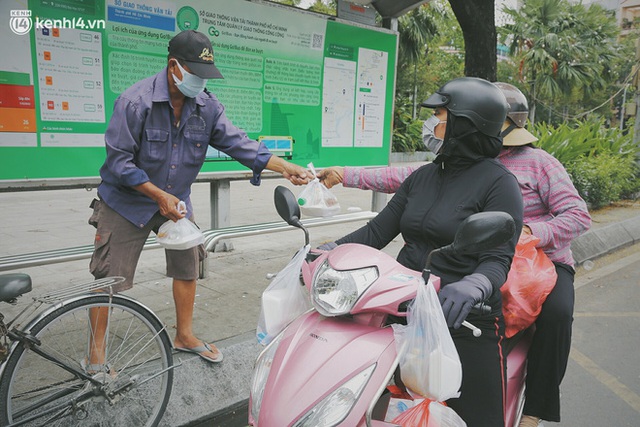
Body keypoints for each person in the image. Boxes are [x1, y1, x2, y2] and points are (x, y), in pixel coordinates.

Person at [319, 82, 591, 427]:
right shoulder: (423, 176)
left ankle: (535, 409)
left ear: (466, 122)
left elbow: (497, 259)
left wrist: (476, 284)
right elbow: (376, 232)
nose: (430, 123)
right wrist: (327, 251)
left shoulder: (500, 183)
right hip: (404, 304)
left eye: (438, 115)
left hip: (464, 315)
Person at [88, 30, 309, 366]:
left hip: (174, 201)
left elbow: (239, 143)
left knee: (189, 263)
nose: (201, 82)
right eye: (195, 74)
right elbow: (119, 162)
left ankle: (184, 334)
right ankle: (96, 356)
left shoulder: (207, 107)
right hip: (126, 200)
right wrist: (156, 193)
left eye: (205, 75)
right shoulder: (135, 102)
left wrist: (283, 166)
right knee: (109, 278)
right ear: (173, 66)